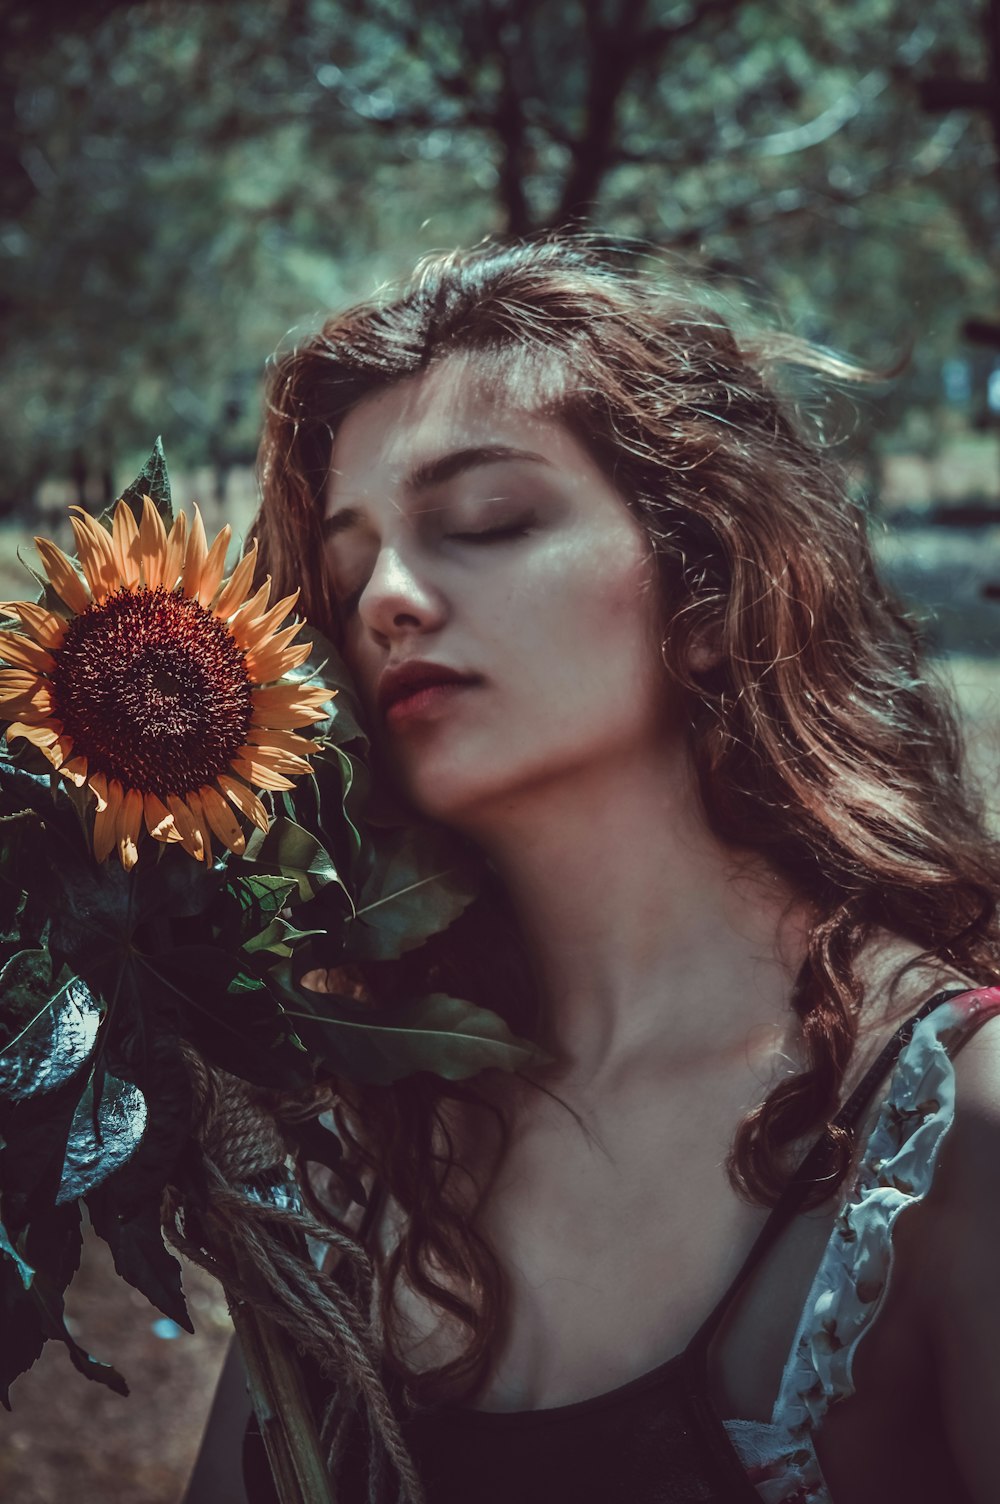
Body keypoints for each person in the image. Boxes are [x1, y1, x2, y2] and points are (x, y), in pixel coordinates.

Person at [195, 238, 1000, 1504]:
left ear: (708, 579)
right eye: (348, 573)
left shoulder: (955, 1130)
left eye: (485, 521)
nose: (388, 600)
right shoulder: (356, 1140)